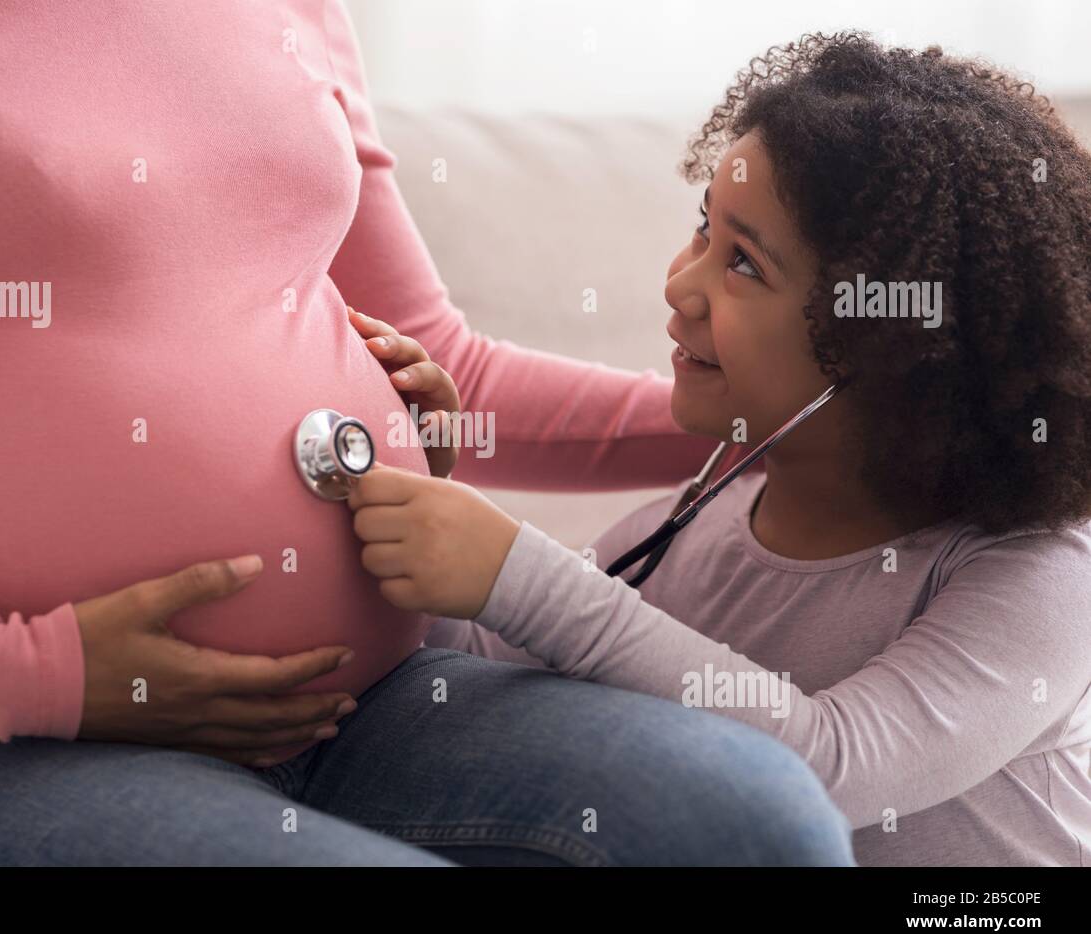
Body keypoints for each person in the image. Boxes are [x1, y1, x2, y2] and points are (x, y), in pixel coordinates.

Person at [0, 3, 853, 864]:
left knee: (762, 818)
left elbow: (454, 365)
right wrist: (27, 674)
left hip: (379, 695)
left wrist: (793, 424)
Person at [348, 32, 1091, 866]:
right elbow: (485, 672)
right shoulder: (674, 539)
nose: (679, 284)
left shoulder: (1042, 579)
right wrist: (423, 500)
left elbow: (828, 768)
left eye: (743, 263)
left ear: (892, 351)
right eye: (704, 230)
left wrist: (516, 572)